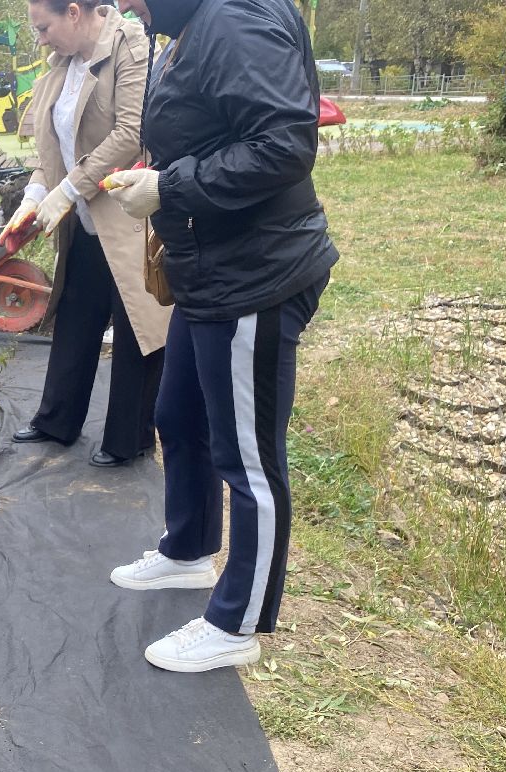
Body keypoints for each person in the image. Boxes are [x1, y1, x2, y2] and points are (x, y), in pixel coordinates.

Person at [103, 0, 338, 672]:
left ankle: (237, 623)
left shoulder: (235, 18)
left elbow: (285, 145)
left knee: (249, 458)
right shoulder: (193, 26)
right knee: (178, 415)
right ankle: (189, 549)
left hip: (256, 275)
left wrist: (169, 186)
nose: (123, 4)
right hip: (212, 271)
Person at [0, 0, 170, 468]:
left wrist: (68, 190)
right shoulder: (63, 64)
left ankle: (128, 438)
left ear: (74, 12)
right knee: (75, 314)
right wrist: (36, 197)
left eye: (44, 27)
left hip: (125, 210)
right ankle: (57, 419)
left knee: (135, 322)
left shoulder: (129, 45)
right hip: (82, 217)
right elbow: (52, 148)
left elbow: (130, 133)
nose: (41, 39)